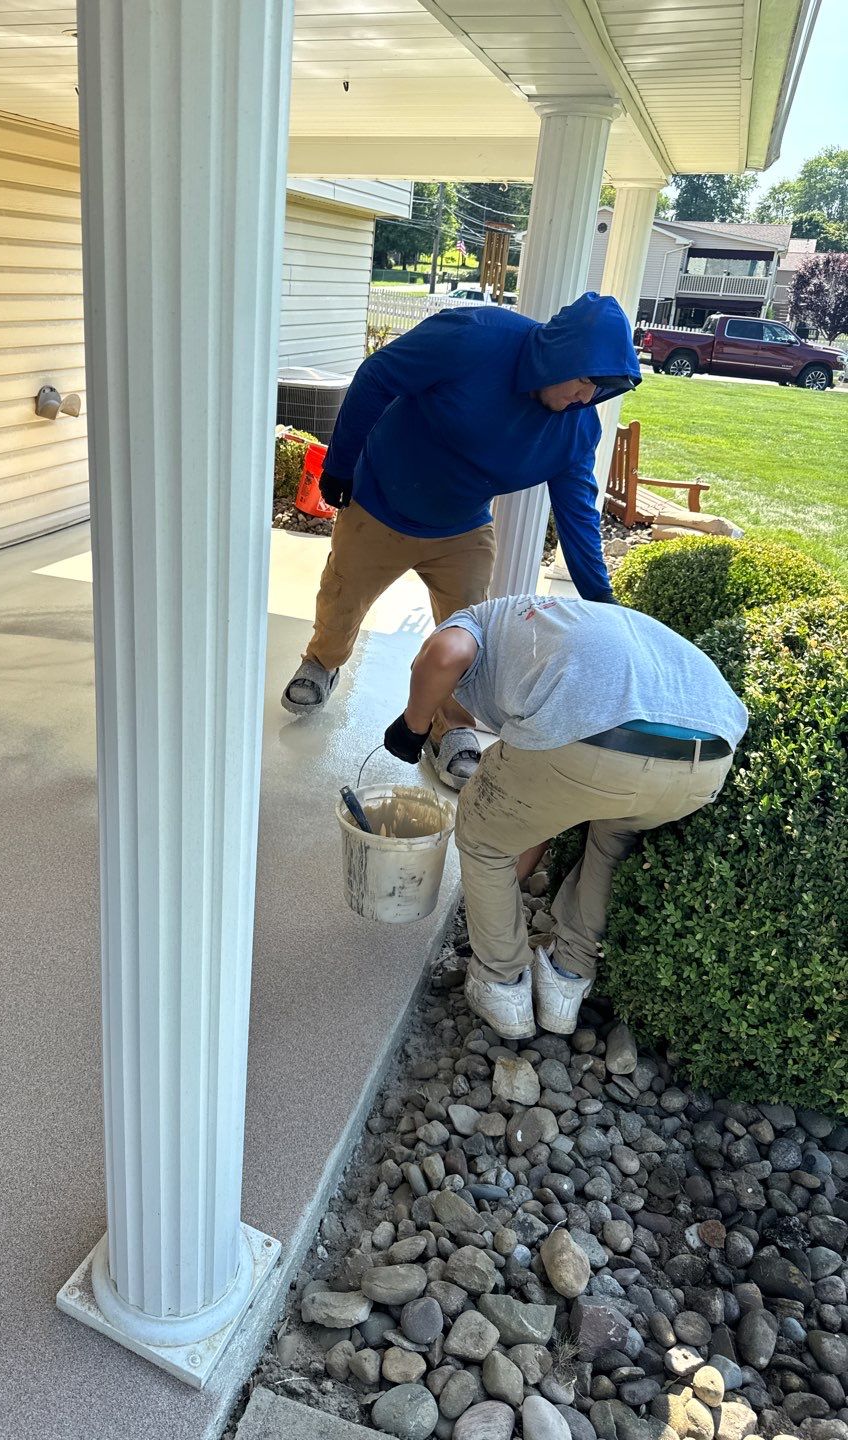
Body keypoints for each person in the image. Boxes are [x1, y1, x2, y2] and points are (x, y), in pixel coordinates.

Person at [281, 292, 642, 791]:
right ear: (558, 354)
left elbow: (577, 513)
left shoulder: (576, 429)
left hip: (462, 528)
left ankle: (450, 726)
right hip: (381, 503)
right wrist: (341, 464)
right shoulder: (474, 337)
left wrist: (602, 599)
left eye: (599, 388)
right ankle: (321, 663)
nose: (586, 396)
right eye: (584, 379)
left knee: (471, 631)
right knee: (342, 596)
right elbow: (378, 375)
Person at [382, 596, 748, 1039]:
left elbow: (445, 654)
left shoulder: (473, 625)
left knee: (482, 835)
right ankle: (567, 980)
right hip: (706, 762)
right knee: (612, 841)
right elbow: (535, 814)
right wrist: (502, 893)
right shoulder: (550, 626)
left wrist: (413, 725)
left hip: (599, 743)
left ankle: (501, 983)